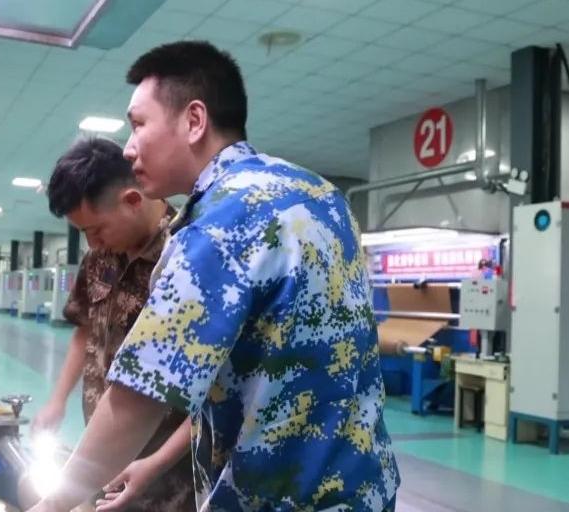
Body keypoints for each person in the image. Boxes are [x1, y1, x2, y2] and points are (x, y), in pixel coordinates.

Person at [28, 41, 399, 512]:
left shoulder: (216, 226)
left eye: (138, 124)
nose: (129, 147)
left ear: (194, 120)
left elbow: (138, 399)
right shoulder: (322, 194)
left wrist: (52, 505)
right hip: (365, 490)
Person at [31, 137, 195, 511]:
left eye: (97, 229)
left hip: (168, 475)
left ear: (132, 200)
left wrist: (157, 463)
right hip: (102, 455)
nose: (93, 243)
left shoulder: (187, 258)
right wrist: (58, 400)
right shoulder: (100, 257)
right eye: (84, 233)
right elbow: (85, 328)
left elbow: (220, 390)